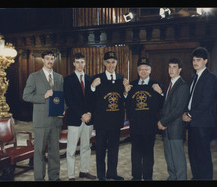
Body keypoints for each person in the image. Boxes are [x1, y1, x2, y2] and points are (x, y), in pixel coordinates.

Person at [23, 50, 64, 181]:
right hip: (41, 122)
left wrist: (63, 110)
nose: (50, 61)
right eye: (47, 58)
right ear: (42, 60)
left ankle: (54, 177)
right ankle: (39, 179)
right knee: (39, 152)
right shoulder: (34, 76)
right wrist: (43, 96)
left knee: (54, 153)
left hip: (56, 121)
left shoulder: (59, 77)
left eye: (52, 58)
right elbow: (26, 96)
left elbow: (63, 97)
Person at [124, 57, 164, 181]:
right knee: (135, 153)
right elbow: (127, 105)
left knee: (148, 153)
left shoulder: (156, 85)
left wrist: (161, 92)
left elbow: (163, 105)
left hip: (149, 126)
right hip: (135, 126)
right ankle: (136, 176)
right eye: (141, 69)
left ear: (150, 70)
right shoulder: (132, 85)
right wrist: (125, 93)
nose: (143, 72)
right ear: (137, 70)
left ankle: (147, 177)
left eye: (146, 69)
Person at [182, 47, 217, 180]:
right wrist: (186, 112)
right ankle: (196, 178)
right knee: (193, 154)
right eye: (193, 60)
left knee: (203, 155)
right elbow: (191, 99)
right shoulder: (194, 77)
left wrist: (190, 115)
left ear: (206, 61)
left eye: (198, 60)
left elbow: (205, 102)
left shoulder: (210, 78)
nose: (195, 62)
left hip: (203, 123)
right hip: (193, 123)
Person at [91, 51, 125, 181]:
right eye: (108, 62)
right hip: (101, 122)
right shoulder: (98, 78)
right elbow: (92, 100)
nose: (111, 65)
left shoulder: (122, 79)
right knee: (100, 151)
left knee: (114, 150)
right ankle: (101, 175)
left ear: (116, 63)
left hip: (115, 122)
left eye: (113, 62)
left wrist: (126, 91)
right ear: (104, 63)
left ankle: (112, 173)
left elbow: (124, 100)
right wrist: (93, 87)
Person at [64, 53, 96, 181]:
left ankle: (84, 171)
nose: (80, 65)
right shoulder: (68, 79)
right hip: (74, 119)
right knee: (71, 149)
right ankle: (71, 175)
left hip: (88, 120)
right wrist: (81, 114)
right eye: (77, 62)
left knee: (86, 147)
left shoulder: (90, 79)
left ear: (85, 63)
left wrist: (89, 114)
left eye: (82, 62)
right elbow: (69, 100)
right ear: (73, 63)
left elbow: (93, 99)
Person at [157, 58, 189, 180]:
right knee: (169, 156)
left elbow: (178, 110)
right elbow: (165, 107)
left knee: (178, 157)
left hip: (175, 127)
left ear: (180, 69)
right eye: (169, 67)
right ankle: (172, 177)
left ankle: (181, 178)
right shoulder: (169, 84)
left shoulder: (183, 86)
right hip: (166, 128)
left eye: (174, 67)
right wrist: (162, 121)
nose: (171, 70)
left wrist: (162, 122)